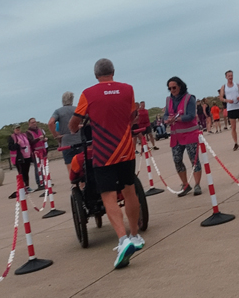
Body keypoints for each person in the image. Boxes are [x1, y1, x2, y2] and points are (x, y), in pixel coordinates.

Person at [69, 58, 145, 267]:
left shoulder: (89, 93)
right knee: (129, 190)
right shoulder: (128, 90)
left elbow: (75, 122)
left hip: (104, 153)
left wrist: (73, 128)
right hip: (126, 149)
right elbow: (131, 116)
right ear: (113, 71)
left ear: (96, 75)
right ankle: (135, 235)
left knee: (108, 196)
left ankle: (123, 240)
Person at [162, 78, 204, 197]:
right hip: (176, 136)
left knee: (194, 160)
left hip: (190, 134)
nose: (172, 90)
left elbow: (190, 115)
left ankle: (197, 184)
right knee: (177, 160)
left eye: (174, 87)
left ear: (180, 86)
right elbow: (165, 115)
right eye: (169, 88)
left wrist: (177, 119)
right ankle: (185, 184)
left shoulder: (189, 98)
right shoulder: (168, 100)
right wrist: (167, 120)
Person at [49, 92, 84, 166]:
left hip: (66, 142)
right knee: (83, 165)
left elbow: (50, 123)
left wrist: (56, 136)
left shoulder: (58, 111)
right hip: (80, 140)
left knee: (70, 166)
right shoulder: (77, 109)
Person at [7, 125, 34, 196]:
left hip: (27, 156)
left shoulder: (24, 135)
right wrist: (17, 144)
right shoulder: (12, 137)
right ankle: (23, 187)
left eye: (19, 128)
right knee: (21, 173)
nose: (18, 130)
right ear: (14, 130)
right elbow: (10, 147)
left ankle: (27, 186)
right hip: (19, 158)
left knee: (26, 172)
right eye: (16, 129)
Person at [27, 118, 48, 190]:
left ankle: (45, 181)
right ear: (29, 124)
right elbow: (30, 142)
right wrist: (38, 139)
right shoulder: (28, 133)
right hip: (36, 153)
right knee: (38, 168)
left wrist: (44, 140)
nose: (34, 123)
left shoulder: (40, 130)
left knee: (44, 167)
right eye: (32, 122)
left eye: (35, 122)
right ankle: (39, 183)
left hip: (43, 151)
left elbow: (43, 138)